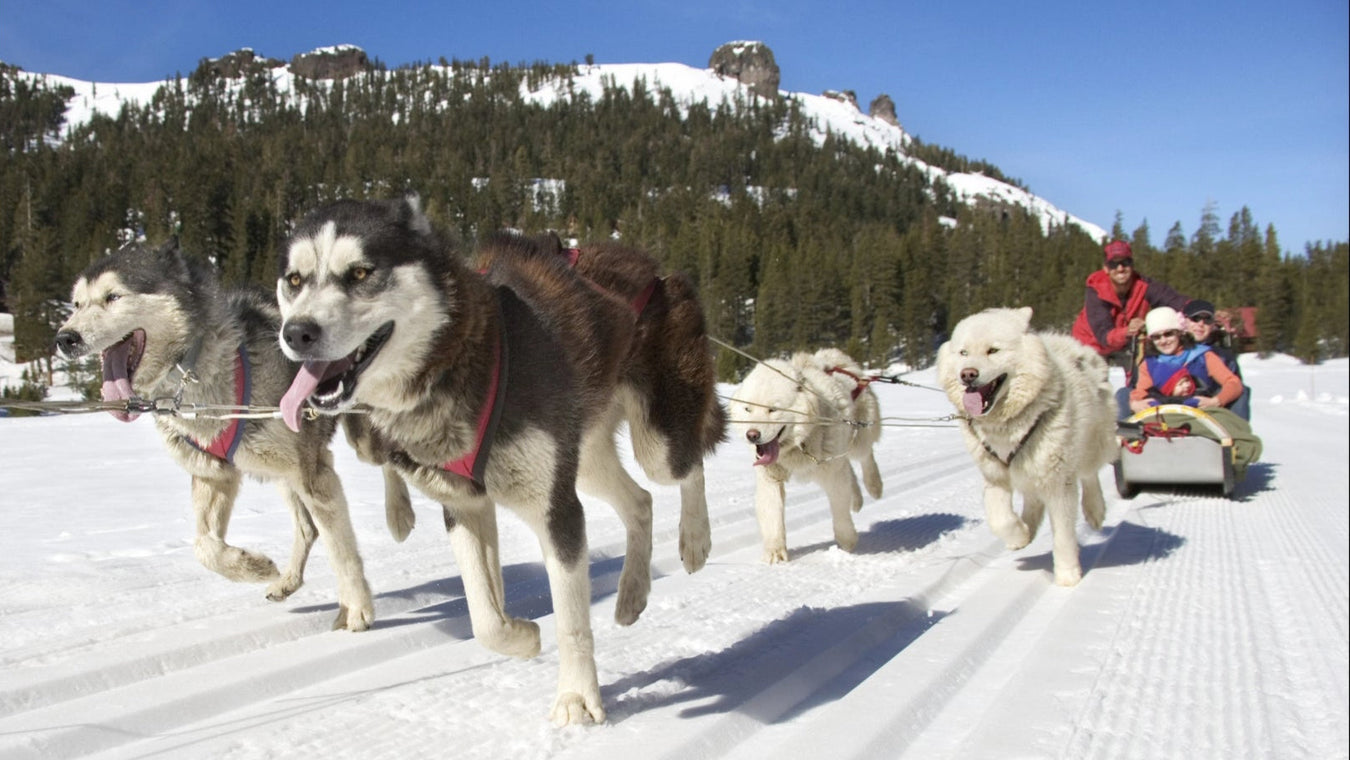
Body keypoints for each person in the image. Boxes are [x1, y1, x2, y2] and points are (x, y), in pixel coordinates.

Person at [1071, 240, 1190, 369]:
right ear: (1106, 268)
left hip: (1125, 342)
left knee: (1143, 373)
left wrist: (1202, 312)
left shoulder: (1144, 286)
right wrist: (1128, 331)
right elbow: (1104, 336)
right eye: (1114, 264)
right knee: (1094, 385)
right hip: (1089, 345)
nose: (1120, 268)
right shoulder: (1097, 289)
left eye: (1125, 263)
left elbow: (1177, 301)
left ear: (1132, 265)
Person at [1129, 306, 1245, 414]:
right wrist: (1134, 403)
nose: (1163, 341)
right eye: (1156, 337)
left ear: (1179, 334)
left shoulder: (1203, 356)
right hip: (1164, 416)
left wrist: (1217, 401)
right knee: (1123, 395)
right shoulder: (1149, 364)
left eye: (1168, 334)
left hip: (1201, 415)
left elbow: (1233, 382)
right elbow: (1141, 392)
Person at [1183, 299, 1251, 420]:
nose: (1201, 324)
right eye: (1196, 318)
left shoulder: (1222, 355)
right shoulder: (1171, 346)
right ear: (1185, 321)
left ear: (1213, 324)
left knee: (1241, 391)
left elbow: (1235, 384)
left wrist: (1216, 401)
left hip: (1211, 405)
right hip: (1177, 402)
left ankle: (1236, 433)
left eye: (1207, 320)